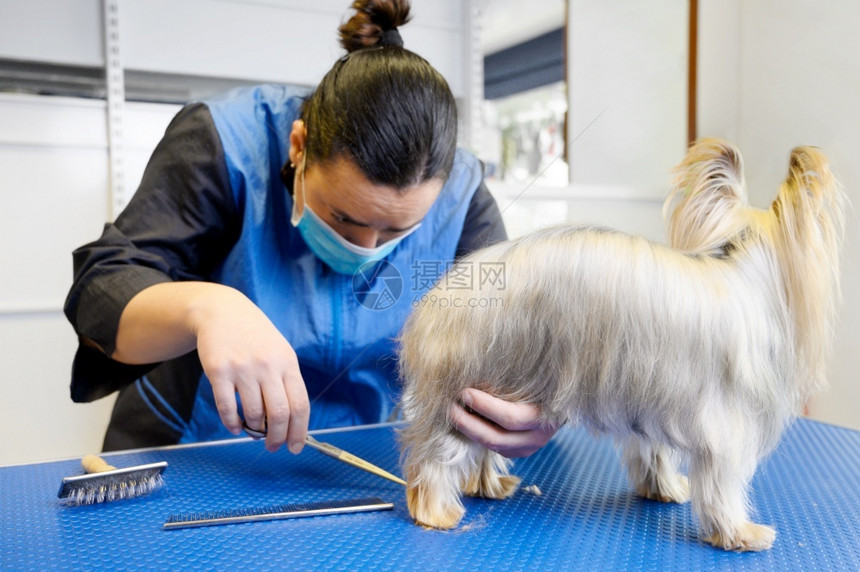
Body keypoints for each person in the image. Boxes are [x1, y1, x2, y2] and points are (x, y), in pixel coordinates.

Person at [64, 0, 556, 458]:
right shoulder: (225, 144)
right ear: (298, 147)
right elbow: (101, 295)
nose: (363, 249)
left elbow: (512, 335)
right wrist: (208, 308)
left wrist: (534, 405)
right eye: (344, 218)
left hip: (360, 451)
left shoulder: (463, 193)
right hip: (195, 448)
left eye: (396, 233)